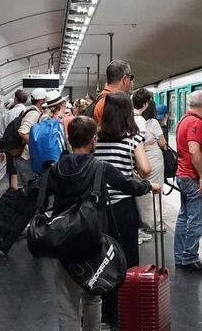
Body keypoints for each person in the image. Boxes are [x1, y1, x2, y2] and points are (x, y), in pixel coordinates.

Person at [46, 116, 161, 331]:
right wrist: (148, 186)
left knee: (67, 302)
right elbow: (127, 185)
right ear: (93, 140)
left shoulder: (56, 167)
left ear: (69, 139)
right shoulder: (100, 167)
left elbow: (40, 197)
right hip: (92, 239)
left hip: (62, 241)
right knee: (93, 294)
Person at [92, 91, 151, 328]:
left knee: (104, 259)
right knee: (126, 259)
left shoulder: (96, 139)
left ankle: (106, 313)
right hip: (124, 207)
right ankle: (124, 312)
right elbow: (145, 170)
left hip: (98, 208)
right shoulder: (132, 140)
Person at [173, 90, 202, 272]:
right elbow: (193, 150)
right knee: (196, 219)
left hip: (184, 176)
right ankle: (189, 258)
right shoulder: (195, 122)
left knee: (184, 217)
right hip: (193, 178)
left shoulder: (184, 120)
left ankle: (180, 256)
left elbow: (192, 145)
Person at [132, 89, 166, 242]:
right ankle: (153, 222)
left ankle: (143, 221)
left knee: (142, 192)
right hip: (153, 160)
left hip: (138, 160)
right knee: (155, 190)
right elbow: (162, 143)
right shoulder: (151, 122)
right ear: (146, 104)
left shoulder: (130, 119)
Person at [2, 89, 34, 191]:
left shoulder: (8, 113)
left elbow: (1, 131)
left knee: (12, 170)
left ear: (15, 98)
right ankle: (23, 191)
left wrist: (1, 149)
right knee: (24, 171)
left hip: (10, 147)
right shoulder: (29, 113)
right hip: (24, 146)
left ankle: (13, 193)